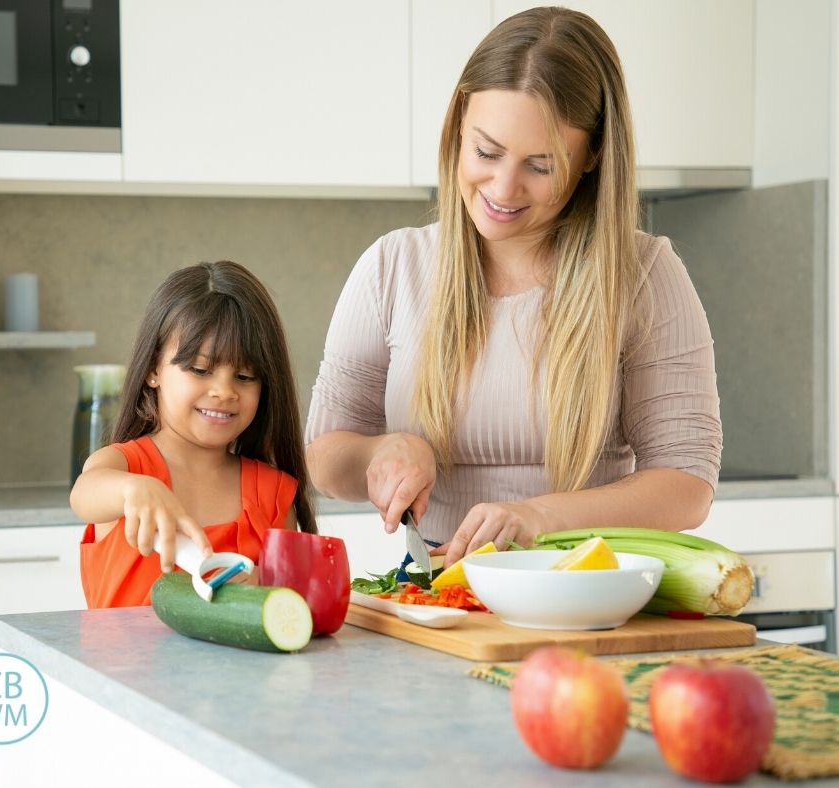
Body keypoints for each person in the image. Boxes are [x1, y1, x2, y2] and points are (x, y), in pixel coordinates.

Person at [305, 6, 722, 568]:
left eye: (541, 166)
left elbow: (687, 483)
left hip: (585, 587)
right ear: (457, 127)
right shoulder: (392, 267)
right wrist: (384, 451)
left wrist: (539, 518)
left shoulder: (644, 275)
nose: (503, 187)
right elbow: (324, 459)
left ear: (593, 158)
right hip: (435, 591)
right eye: (486, 151)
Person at [72, 260, 316, 608]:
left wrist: (269, 586)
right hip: (114, 665)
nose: (224, 391)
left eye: (245, 377)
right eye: (201, 370)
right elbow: (84, 493)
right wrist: (134, 490)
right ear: (153, 369)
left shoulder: (274, 494)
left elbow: (293, 607)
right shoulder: (124, 468)